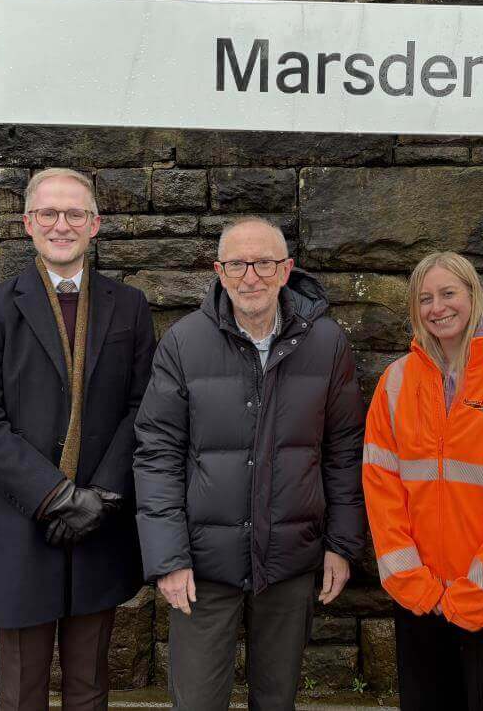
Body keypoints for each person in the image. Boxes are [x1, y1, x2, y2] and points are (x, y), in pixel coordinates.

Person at [134, 215, 365, 711]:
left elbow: (344, 453)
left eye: (264, 263)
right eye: (238, 264)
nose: (251, 276)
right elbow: (157, 455)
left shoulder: (327, 345)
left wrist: (341, 545)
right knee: (196, 702)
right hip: (201, 565)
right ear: (219, 271)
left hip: (290, 560)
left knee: (277, 700)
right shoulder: (184, 342)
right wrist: (169, 558)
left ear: (287, 270)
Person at [0, 167, 155, 711]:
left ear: (95, 224)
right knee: (20, 688)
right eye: (48, 212)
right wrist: (56, 496)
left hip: (100, 518)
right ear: (27, 223)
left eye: (74, 213)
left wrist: (101, 496)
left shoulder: (130, 306)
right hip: (22, 520)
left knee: (89, 686)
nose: (60, 223)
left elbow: (143, 408)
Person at [363, 251, 483, 711]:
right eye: (425, 298)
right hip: (423, 604)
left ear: (473, 297)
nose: (438, 307)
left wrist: (475, 595)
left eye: (449, 293)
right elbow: (382, 489)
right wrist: (417, 586)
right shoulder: (394, 383)